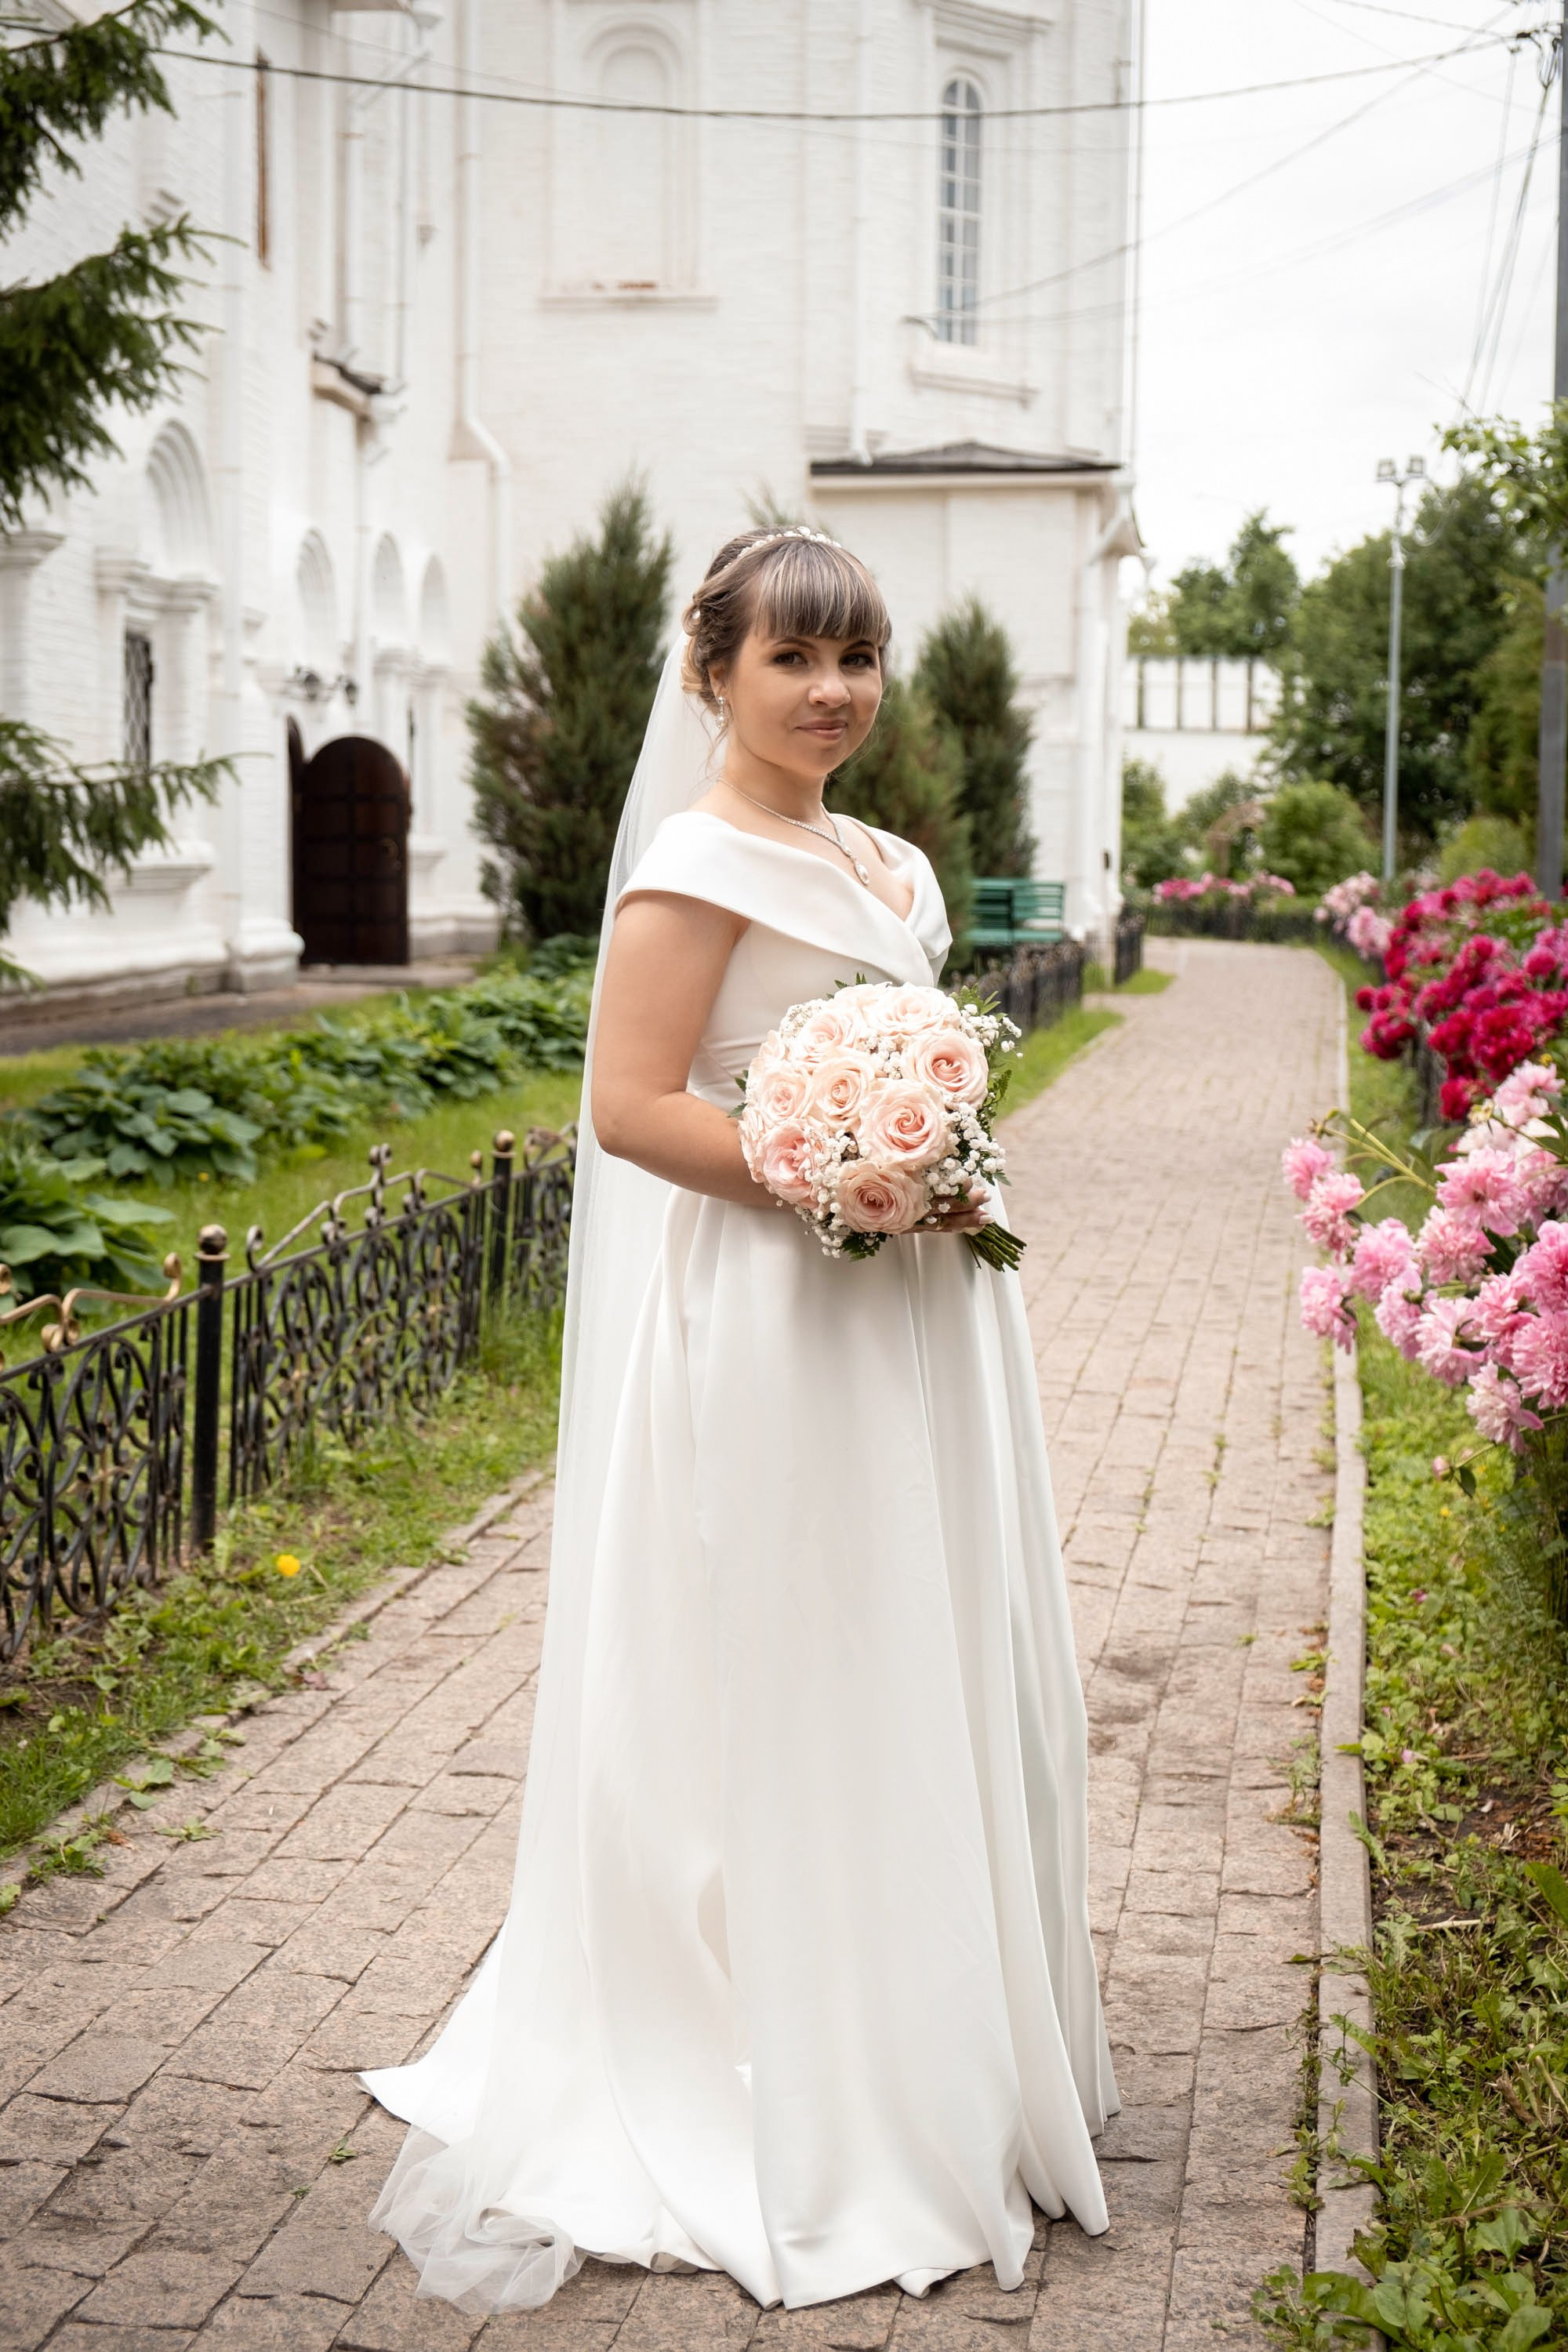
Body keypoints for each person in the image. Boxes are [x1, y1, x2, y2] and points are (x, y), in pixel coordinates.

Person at [361, 526, 1117, 2317]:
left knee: (922, 1650)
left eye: (856, 658)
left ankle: (938, 2043)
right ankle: (774, 2057)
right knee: (800, 1660)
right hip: (782, 1314)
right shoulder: (692, 868)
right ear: (713, 672)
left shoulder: (892, 860)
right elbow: (629, 1108)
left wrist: (921, 1163)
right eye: (794, 660)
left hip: (923, 1311)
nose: (834, 691)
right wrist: (834, 1166)